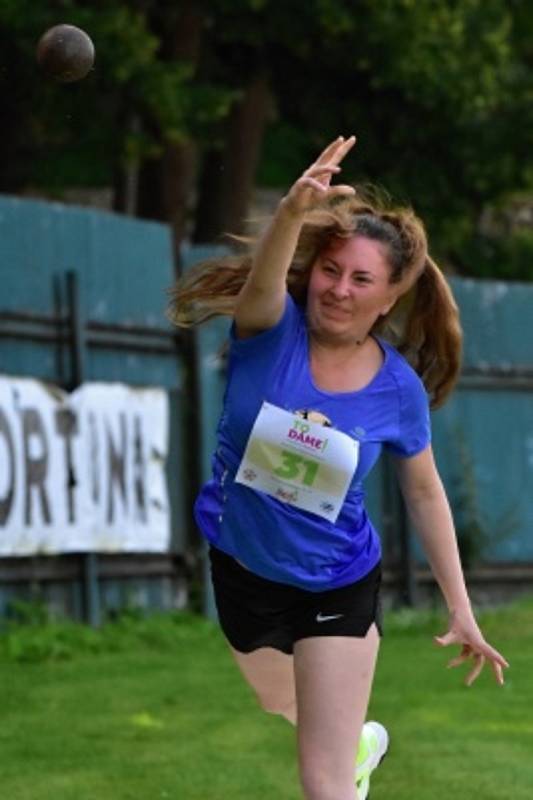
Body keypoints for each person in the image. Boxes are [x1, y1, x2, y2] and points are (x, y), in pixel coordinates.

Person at [170, 135, 509, 800]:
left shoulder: (398, 391)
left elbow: (425, 493)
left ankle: (341, 751)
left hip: (336, 582)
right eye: (331, 270)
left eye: (361, 280)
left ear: (388, 299)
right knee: (278, 705)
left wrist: (460, 607)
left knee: (323, 784)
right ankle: (355, 738)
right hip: (241, 568)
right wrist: (292, 212)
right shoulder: (269, 332)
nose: (338, 290)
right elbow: (266, 277)